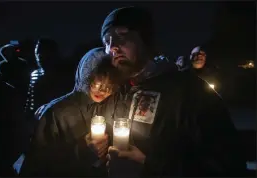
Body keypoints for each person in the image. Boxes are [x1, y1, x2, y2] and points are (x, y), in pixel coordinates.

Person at [99, 7, 247, 177]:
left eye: (121, 35)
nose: (112, 48)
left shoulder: (189, 91)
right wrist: (97, 150)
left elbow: (228, 165)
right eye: (106, 42)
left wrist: (150, 166)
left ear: (145, 38)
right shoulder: (114, 92)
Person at [20, 49, 122, 176]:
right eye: (97, 83)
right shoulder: (57, 113)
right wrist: (80, 152)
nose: (102, 91)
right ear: (86, 75)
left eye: (109, 86)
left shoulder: (113, 107)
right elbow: (37, 166)